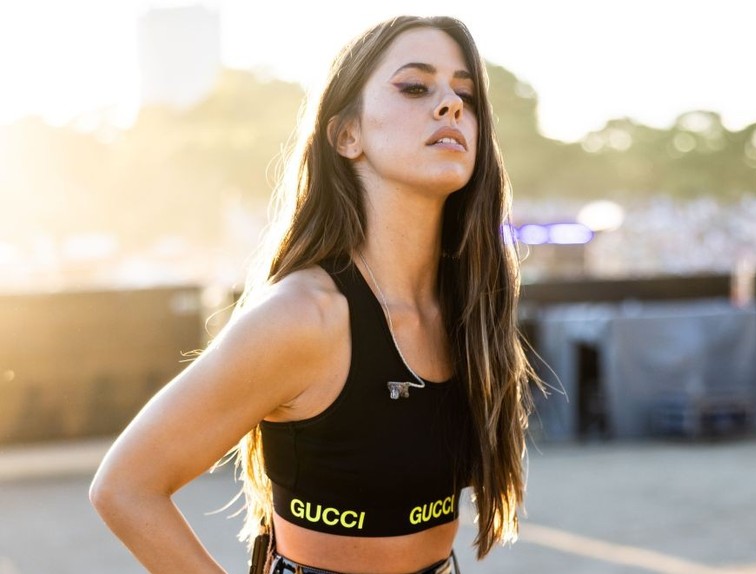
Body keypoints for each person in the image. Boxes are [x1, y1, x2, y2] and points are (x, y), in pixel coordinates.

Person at [90, 15, 542, 574]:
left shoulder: (469, 309)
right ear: (346, 133)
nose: (451, 104)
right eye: (415, 87)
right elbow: (126, 487)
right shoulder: (303, 316)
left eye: (465, 94)